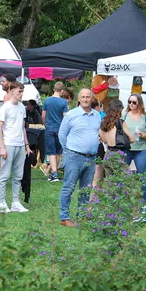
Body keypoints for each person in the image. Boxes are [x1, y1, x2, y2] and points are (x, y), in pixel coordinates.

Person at [58, 88, 101, 227]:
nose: (85, 99)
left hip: (91, 158)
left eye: (88, 97)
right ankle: (65, 217)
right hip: (74, 156)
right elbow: (62, 134)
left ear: (92, 98)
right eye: (83, 97)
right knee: (68, 187)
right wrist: (68, 150)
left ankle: (82, 216)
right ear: (78, 98)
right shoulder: (71, 114)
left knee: (86, 188)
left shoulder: (97, 115)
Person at [0, 81, 31, 213]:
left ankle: (15, 202)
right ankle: (2, 202)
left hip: (20, 144)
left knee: (18, 176)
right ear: (11, 91)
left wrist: (27, 145)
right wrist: (2, 147)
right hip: (9, 143)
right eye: (19, 92)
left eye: (22, 92)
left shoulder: (22, 107)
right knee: (4, 175)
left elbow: (22, 127)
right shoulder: (6, 107)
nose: (21, 94)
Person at [123, 93, 146, 208]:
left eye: (134, 102)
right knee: (122, 176)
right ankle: (123, 202)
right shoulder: (124, 115)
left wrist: (143, 135)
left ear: (139, 103)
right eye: (129, 102)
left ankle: (143, 204)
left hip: (140, 149)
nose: (131, 104)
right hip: (127, 149)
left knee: (143, 178)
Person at [42, 81, 69, 182]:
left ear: (54, 89)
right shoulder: (64, 102)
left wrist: (45, 125)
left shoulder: (47, 100)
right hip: (60, 128)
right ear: (62, 91)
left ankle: (54, 174)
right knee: (58, 152)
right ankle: (55, 173)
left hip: (49, 128)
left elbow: (43, 115)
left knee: (51, 153)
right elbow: (65, 117)